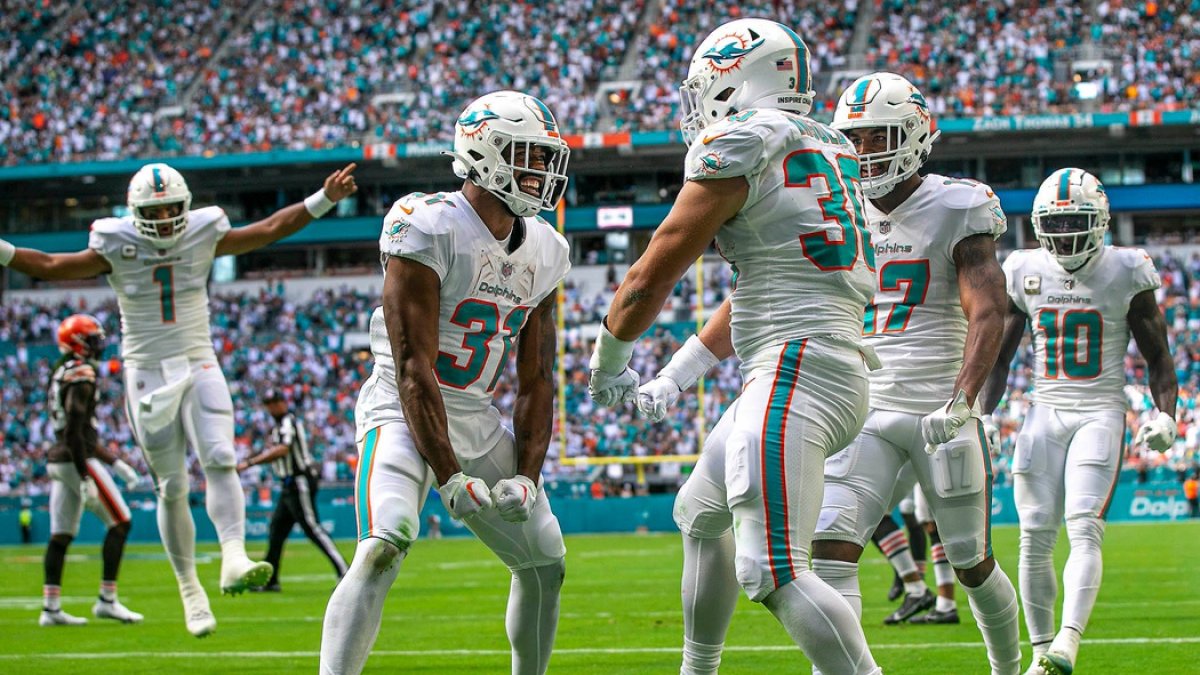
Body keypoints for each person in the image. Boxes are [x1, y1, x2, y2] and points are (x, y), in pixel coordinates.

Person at [599, 19, 881, 674]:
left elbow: (655, 266)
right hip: (820, 359)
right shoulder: (831, 145)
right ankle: (698, 667)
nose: (703, 100)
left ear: (739, 76)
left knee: (772, 567)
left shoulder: (744, 140)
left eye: (711, 84)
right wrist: (674, 378)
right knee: (699, 510)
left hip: (797, 367)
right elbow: (758, 290)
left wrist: (609, 356)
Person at [0, 162, 358, 637]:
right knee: (171, 485)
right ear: (136, 212)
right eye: (156, 210)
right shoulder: (114, 242)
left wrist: (324, 199)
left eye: (172, 208)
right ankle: (190, 589)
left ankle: (233, 555)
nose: (166, 217)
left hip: (196, 356)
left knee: (220, 456)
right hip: (146, 369)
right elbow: (48, 265)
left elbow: (269, 229)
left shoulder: (204, 229)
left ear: (185, 205)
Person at [320, 90, 571, 675]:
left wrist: (528, 479)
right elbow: (413, 366)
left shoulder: (547, 250)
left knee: (545, 564)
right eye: (526, 156)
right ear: (484, 153)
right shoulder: (427, 222)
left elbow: (536, 378)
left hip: (476, 416)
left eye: (543, 157)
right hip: (400, 410)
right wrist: (450, 475)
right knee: (383, 545)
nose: (540, 171)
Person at [982, 167, 1178, 675]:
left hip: (1098, 410)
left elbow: (1158, 356)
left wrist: (1166, 414)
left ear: (1101, 223)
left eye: (1077, 223)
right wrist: (983, 413)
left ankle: (1067, 641)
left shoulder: (1126, 269)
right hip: (1044, 410)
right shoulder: (1025, 267)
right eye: (1058, 224)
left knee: (1084, 527)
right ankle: (1040, 651)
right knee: (1032, 534)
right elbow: (1000, 358)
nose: (1066, 236)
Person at [40, 314, 143, 627]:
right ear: (78, 343)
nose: (99, 344)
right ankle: (107, 600)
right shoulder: (82, 373)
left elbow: (77, 431)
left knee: (61, 536)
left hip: (58, 459)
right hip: (74, 460)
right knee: (121, 522)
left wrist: (116, 462)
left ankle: (51, 608)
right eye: (93, 338)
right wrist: (86, 475)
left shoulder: (63, 370)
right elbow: (75, 431)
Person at [237, 388, 347, 591]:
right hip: (288, 485)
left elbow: (283, 449)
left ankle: (345, 572)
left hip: (299, 482)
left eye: (276, 402)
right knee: (276, 531)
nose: (273, 407)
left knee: (312, 528)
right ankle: (271, 580)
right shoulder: (278, 426)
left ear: (283, 403)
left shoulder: (288, 422)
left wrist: (251, 462)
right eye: (269, 404)